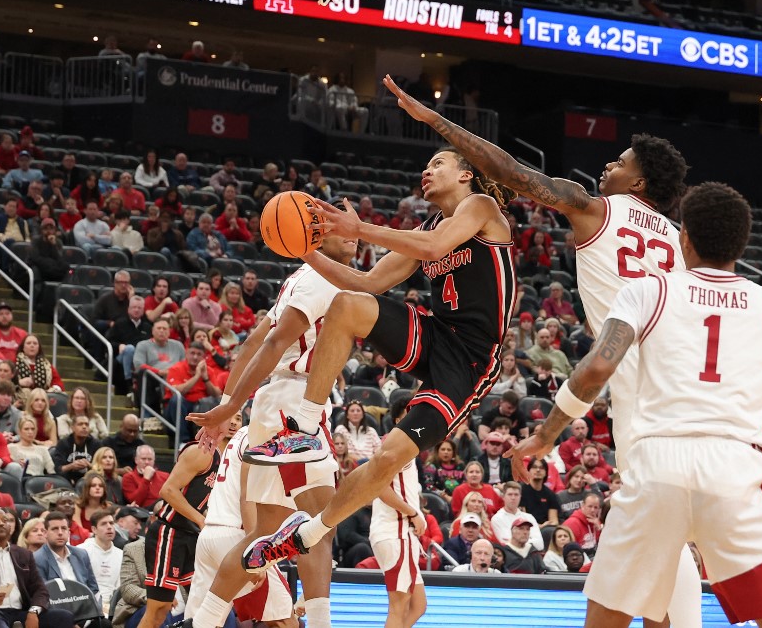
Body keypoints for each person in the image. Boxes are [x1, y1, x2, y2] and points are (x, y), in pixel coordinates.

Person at [506, 183, 762, 627]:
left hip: (655, 467)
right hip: (734, 472)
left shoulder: (647, 291)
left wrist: (545, 436)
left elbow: (593, 371)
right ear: (742, 244)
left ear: (684, 238)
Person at [199, 148, 517, 577]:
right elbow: (366, 281)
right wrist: (305, 249)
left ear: (465, 175)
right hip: (436, 334)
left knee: (388, 456)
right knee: (349, 304)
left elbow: (437, 246)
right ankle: (306, 429)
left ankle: (309, 533)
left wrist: (359, 228)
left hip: (470, 361)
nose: (427, 169)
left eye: (438, 163)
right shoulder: (428, 227)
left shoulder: (481, 206)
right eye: (426, 164)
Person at [179, 228, 359, 628]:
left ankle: (203, 623)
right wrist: (229, 406)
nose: (352, 237)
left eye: (354, 231)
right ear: (312, 239)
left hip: (273, 406)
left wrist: (229, 406)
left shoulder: (297, 279)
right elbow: (275, 343)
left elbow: (250, 347)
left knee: (263, 534)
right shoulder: (321, 277)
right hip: (295, 408)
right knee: (318, 528)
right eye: (340, 232)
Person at [182, 416, 295, 628]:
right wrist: (257, 551)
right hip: (236, 539)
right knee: (284, 620)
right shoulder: (261, 435)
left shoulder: (239, 437)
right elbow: (247, 497)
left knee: (203, 623)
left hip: (210, 536)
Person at [138, 417, 237, 628]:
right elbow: (167, 490)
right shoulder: (201, 452)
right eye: (230, 416)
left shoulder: (230, 462)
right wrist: (201, 520)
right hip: (170, 533)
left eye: (239, 417)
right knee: (159, 610)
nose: (235, 422)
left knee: (208, 608)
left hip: (196, 539)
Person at [367, 395, 428, 628]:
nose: (416, 418)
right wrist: (412, 513)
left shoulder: (406, 447)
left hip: (399, 533)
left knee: (418, 605)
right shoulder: (398, 446)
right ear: (397, 420)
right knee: (399, 607)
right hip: (396, 532)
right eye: (409, 414)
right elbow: (378, 487)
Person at [0, 507, 76, 628]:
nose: (0, 523)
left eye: (4, 520)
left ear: (10, 527)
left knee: (64, 617)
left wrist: (34, 611)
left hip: (22, 611)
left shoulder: (24, 554)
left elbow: (40, 589)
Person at [32, 511, 100, 595]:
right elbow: (43, 594)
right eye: (55, 529)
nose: (60, 533)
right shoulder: (37, 559)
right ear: (45, 533)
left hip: (84, 605)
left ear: (69, 532)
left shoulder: (81, 554)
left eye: (64, 528)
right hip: (57, 606)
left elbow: (94, 589)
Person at [491, 481, 543, 549]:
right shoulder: (497, 518)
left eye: (516, 495)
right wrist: (530, 541)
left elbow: (540, 545)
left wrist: (518, 542)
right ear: (503, 497)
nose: (513, 498)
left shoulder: (529, 517)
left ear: (520, 497)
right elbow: (506, 545)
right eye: (510, 494)